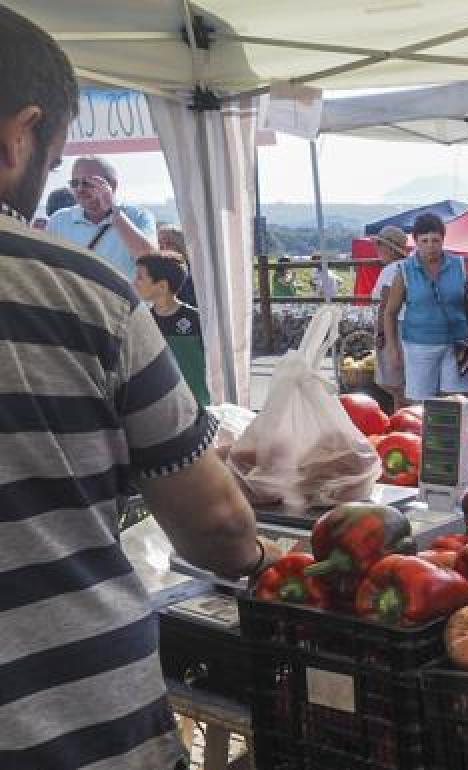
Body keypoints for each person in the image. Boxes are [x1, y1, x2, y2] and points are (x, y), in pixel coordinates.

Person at [0, 8, 278, 768]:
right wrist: (262, 566)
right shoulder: (82, 292)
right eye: (53, 161)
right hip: (76, 721)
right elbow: (213, 526)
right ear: (19, 132)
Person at [384, 213, 468, 401]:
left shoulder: (458, 265)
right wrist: (392, 348)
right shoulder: (405, 270)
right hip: (419, 346)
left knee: (455, 402)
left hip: (457, 344)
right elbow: (390, 313)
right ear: (416, 241)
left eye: (435, 240)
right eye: (424, 240)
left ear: (443, 240)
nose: (430, 246)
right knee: (421, 404)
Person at [46, 154, 158, 279]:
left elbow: (152, 260)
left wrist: (114, 213)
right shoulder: (59, 220)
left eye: (88, 183)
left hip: (121, 298)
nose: (80, 188)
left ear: (112, 186)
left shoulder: (138, 216)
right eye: (75, 183)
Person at [134, 250, 212, 407]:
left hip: (198, 406)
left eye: (140, 277)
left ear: (162, 286)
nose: (134, 282)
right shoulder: (142, 322)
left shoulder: (197, 320)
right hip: (160, 407)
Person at [371, 225, 409, 404]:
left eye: (380, 244)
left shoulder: (390, 271)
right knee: (402, 383)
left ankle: (403, 417)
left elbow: (386, 306)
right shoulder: (409, 266)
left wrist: (381, 333)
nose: (377, 248)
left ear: (391, 249)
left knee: (393, 382)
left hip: (394, 327)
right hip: (406, 326)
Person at [157, 224, 197, 307]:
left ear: (180, 246)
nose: (162, 247)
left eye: (168, 243)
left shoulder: (189, 274)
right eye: (159, 243)